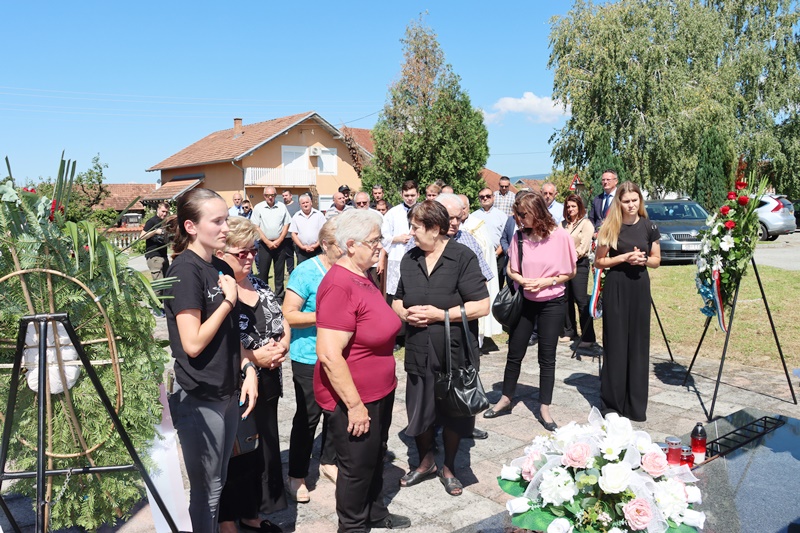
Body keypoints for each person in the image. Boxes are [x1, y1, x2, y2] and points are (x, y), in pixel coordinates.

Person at [165, 188, 258, 533]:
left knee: (218, 482)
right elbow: (192, 343)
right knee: (208, 489)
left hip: (227, 392)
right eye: (217, 221)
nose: (226, 228)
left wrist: (248, 368)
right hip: (200, 397)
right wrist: (228, 302)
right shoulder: (185, 271)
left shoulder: (218, 265)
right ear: (191, 227)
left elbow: (230, 336)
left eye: (226, 219)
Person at [315, 209, 411, 532]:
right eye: (373, 241)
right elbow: (329, 354)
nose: (379, 246)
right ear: (351, 245)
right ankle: (352, 526)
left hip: (379, 389)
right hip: (354, 397)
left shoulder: (363, 274)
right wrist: (355, 406)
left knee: (375, 457)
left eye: (379, 239)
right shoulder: (339, 284)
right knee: (356, 468)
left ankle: (375, 513)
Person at [392, 201, 490, 497]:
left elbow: (482, 305)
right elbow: (397, 299)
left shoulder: (462, 257)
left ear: (435, 229)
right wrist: (404, 313)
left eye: (415, 228)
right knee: (418, 409)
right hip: (418, 348)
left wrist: (440, 315)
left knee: (454, 411)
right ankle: (425, 462)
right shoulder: (410, 259)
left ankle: (449, 467)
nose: (410, 233)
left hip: (454, 350)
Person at [216, 217, 290, 533]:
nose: (249, 257)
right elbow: (221, 338)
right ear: (222, 253)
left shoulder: (259, 283)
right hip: (237, 383)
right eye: (241, 252)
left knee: (261, 450)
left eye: (253, 250)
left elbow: (282, 319)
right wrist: (254, 359)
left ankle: (251, 511)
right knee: (236, 455)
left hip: (269, 381)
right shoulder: (218, 289)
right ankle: (227, 519)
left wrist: (283, 344)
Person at [484, 193, 576, 432]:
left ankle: (545, 407)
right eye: (517, 215)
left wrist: (547, 282)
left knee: (547, 356)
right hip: (524, 302)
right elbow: (511, 270)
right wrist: (522, 280)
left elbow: (570, 272)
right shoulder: (519, 237)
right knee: (514, 352)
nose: (519, 219)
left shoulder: (560, 236)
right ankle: (505, 398)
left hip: (552, 303)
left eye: (523, 215)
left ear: (537, 211)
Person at [282, 219, 340, 504]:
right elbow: (289, 314)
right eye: (342, 244)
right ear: (326, 244)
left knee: (336, 411)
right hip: (308, 355)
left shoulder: (349, 269)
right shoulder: (305, 272)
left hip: (339, 355)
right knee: (309, 416)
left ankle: (329, 461)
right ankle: (296, 475)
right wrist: (324, 317)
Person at [594, 181, 661, 422]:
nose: (631, 205)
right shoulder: (610, 227)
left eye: (635, 200)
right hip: (617, 286)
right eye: (626, 201)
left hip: (640, 286)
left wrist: (643, 260)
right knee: (616, 342)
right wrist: (623, 257)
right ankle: (612, 404)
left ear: (640, 200)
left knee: (638, 344)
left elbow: (656, 260)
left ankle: (635, 405)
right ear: (619, 203)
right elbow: (599, 262)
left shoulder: (649, 226)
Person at [561, 194, 597, 349]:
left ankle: (588, 336)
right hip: (563, 265)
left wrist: (569, 257)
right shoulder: (562, 224)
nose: (570, 209)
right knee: (565, 298)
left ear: (579, 207)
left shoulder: (586, 224)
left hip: (579, 264)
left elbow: (583, 247)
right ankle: (569, 331)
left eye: (573, 206)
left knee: (581, 299)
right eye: (568, 206)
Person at [251, 186, 292, 303]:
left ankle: (279, 296)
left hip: (280, 244)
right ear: (264, 196)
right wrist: (267, 242)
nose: (270, 197)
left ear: (275, 195)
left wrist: (279, 240)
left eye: (273, 195)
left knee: (279, 272)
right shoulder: (258, 207)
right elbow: (256, 226)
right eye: (268, 195)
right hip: (264, 245)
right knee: (263, 272)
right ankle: (264, 295)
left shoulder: (281, 206)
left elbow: (286, 224)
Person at [382, 180, 419, 298]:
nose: (410, 198)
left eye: (412, 195)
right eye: (406, 195)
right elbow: (383, 236)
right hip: (397, 254)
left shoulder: (424, 211)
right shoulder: (393, 213)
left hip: (419, 255)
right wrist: (397, 238)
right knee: (396, 292)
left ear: (418, 194)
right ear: (402, 195)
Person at [140, 202, 170, 317]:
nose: (164, 214)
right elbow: (142, 236)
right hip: (153, 255)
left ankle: (167, 307)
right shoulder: (152, 221)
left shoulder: (165, 222)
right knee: (159, 283)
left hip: (163, 255)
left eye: (166, 212)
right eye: (163, 211)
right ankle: (156, 308)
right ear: (158, 210)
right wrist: (155, 231)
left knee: (167, 282)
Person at [289, 193, 325, 264]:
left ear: (311, 203)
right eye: (303, 203)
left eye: (307, 202)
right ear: (300, 205)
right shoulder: (296, 216)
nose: (305, 205)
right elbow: (293, 234)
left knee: (317, 268)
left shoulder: (319, 215)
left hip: (318, 249)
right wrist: (302, 246)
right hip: (302, 251)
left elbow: (324, 232)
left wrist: (316, 245)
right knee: (303, 269)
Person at [281, 190, 300, 275]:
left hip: (296, 235)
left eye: (286, 195)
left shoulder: (297, 206)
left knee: (299, 254)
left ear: (291, 196)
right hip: (286, 236)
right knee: (288, 255)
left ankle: (299, 271)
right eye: (283, 196)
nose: (285, 197)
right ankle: (291, 272)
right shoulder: (282, 207)